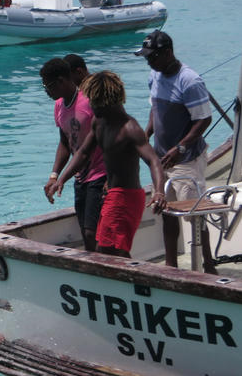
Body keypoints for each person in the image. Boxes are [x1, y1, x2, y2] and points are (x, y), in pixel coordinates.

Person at [47, 71, 167, 258]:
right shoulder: (99, 122)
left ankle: (135, 282)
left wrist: (159, 191)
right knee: (110, 248)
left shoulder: (130, 128)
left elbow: (153, 161)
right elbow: (83, 153)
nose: (92, 107)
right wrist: (61, 178)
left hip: (126, 197)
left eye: (95, 103)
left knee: (108, 250)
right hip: (112, 194)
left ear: (108, 102)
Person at [135, 30, 217, 273]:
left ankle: (208, 264)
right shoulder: (155, 75)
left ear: (168, 53)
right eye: (147, 57)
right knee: (167, 210)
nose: (149, 61)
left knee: (194, 212)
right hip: (162, 159)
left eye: (153, 56)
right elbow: (155, 110)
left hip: (186, 160)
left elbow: (203, 120)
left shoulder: (190, 81)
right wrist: (146, 135)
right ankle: (171, 265)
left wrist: (180, 147)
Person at [41, 58, 106, 251]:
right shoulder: (59, 106)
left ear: (61, 81)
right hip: (80, 177)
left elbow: (106, 139)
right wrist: (54, 176)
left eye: (48, 86)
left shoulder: (89, 101)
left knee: (92, 232)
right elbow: (65, 143)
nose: (47, 92)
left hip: (101, 174)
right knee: (86, 232)